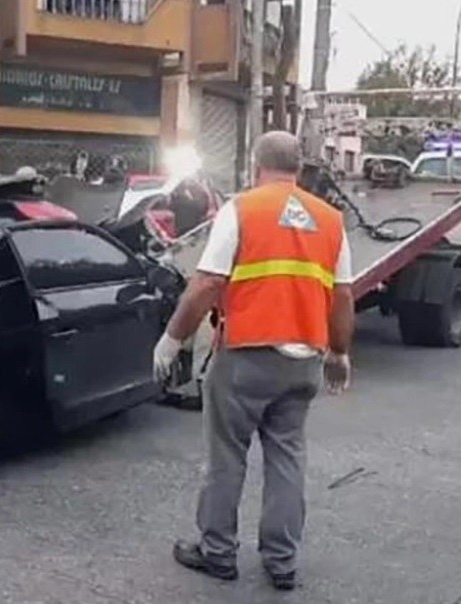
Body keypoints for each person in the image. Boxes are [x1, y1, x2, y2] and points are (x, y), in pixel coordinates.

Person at [153, 131, 355, 591]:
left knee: (227, 457)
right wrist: (339, 353)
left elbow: (206, 284)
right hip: (303, 359)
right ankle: (282, 562)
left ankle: (218, 552)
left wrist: (172, 339)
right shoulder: (330, 219)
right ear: (299, 168)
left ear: (255, 164)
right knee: (287, 459)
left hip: (245, 355)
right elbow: (341, 295)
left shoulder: (241, 209)